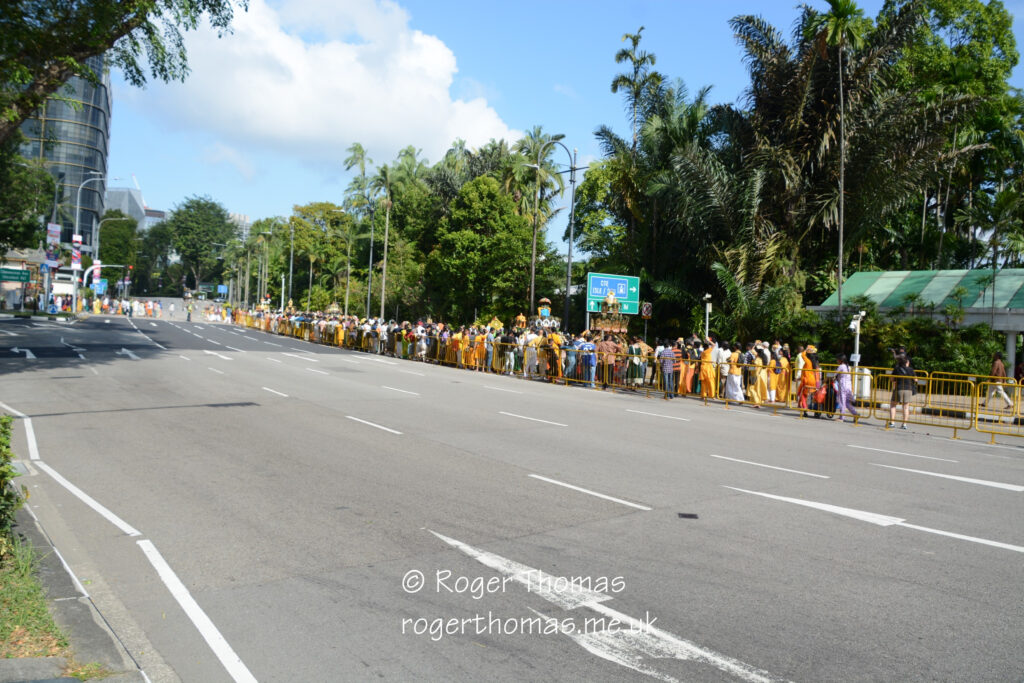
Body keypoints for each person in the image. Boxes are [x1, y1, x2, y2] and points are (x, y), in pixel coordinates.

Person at [888, 353, 916, 429]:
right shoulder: (911, 370)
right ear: (907, 362)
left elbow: (892, 379)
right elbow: (916, 380)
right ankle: (904, 424)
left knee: (893, 405)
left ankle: (892, 423)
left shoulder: (896, 369)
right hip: (908, 389)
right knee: (906, 407)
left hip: (899, 388)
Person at [834, 353, 858, 422]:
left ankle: (842, 417)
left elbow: (834, 374)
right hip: (848, 386)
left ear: (840, 360)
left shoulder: (841, 366)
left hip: (843, 386)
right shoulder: (848, 367)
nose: (836, 361)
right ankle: (855, 414)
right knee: (847, 403)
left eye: (837, 359)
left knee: (842, 401)